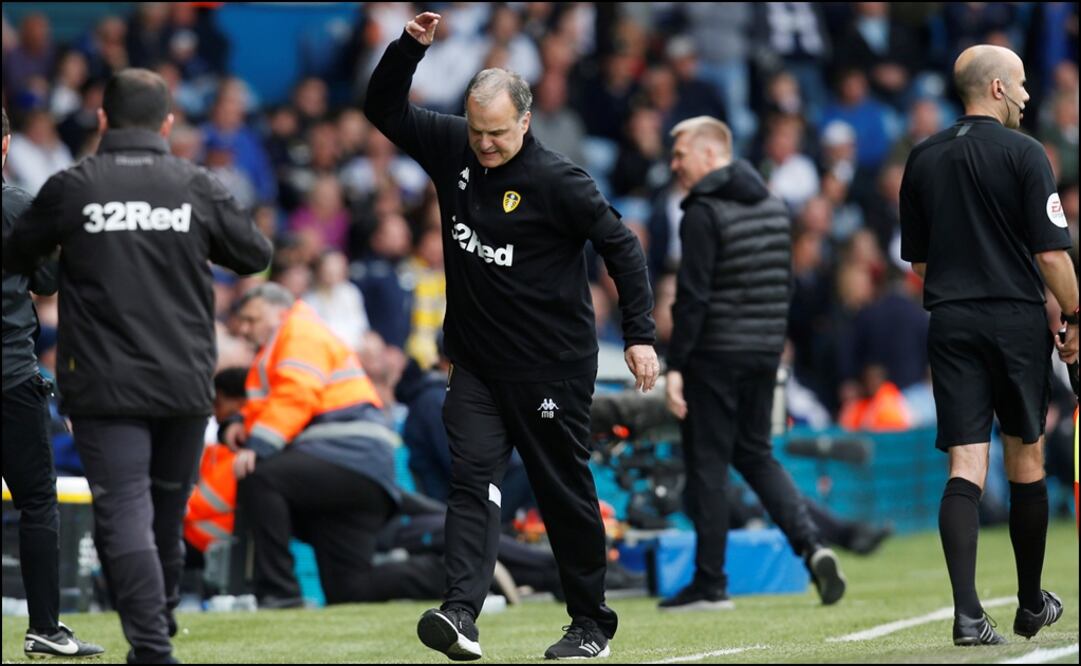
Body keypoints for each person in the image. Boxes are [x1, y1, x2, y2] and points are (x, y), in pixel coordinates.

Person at [365, 12, 658, 661]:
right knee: (471, 482)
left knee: (562, 492)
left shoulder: (560, 182)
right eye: (476, 131)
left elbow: (623, 248)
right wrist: (408, 50)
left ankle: (589, 625)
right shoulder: (454, 149)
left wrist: (639, 334)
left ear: (523, 122)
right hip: (475, 365)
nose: (486, 145)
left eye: (497, 133)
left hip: (551, 367)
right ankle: (461, 614)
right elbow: (381, 106)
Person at [2, 69, 273, 664]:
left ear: (102, 120)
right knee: (165, 513)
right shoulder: (195, 184)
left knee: (124, 509)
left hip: (103, 381)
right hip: (182, 377)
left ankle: (152, 643)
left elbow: (22, 256)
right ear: (168, 124)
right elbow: (255, 255)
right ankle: (160, 624)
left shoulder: (73, 186)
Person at [899, 44, 1077, 646]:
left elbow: (920, 260)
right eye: (1022, 84)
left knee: (966, 465)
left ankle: (968, 615)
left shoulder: (922, 157)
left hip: (949, 322)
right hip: (1015, 321)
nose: (1029, 96)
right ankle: (1030, 605)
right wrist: (1076, 314)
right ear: (997, 88)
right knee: (1026, 457)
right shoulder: (1027, 154)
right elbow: (1051, 254)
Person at [662, 116, 847, 611]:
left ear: (709, 154)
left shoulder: (701, 211)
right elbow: (783, 284)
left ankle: (710, 583)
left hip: (714, 355)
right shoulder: (772, 202)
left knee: (708, 466)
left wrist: (675, 365)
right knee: (756, 454)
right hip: (764, 351)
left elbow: (693, 298)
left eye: (680, 154)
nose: (674, 164)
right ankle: (813, 548)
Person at [221, 282, 409, 607]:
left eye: (253, 319)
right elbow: (277, 402)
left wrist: (257, 445)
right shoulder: (288, 340)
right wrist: (239, 424)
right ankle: (449, 574)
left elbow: (296, 396)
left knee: (259, 476)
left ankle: (280, 593)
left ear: (280, 312)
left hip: (346, 453)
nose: (245, 329)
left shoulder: (299, 331)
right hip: (359, 464)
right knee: (351, 590)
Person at [1, 108, 103, 660]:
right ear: (6, 145)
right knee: (37, 502)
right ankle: (44, 626)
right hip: (10, 377)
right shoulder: (17, 205)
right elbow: (47, 281)